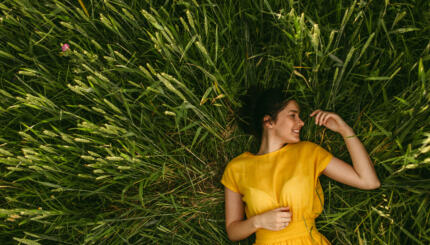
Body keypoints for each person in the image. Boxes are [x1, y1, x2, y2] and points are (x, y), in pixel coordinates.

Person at [221, 85, 380, 244]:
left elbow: (368, 181)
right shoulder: (237, 168)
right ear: (268, 121)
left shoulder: (308, 152)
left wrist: (345, 130)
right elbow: (233, 231)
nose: (301, 122)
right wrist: (258, 221)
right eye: (293, 115)